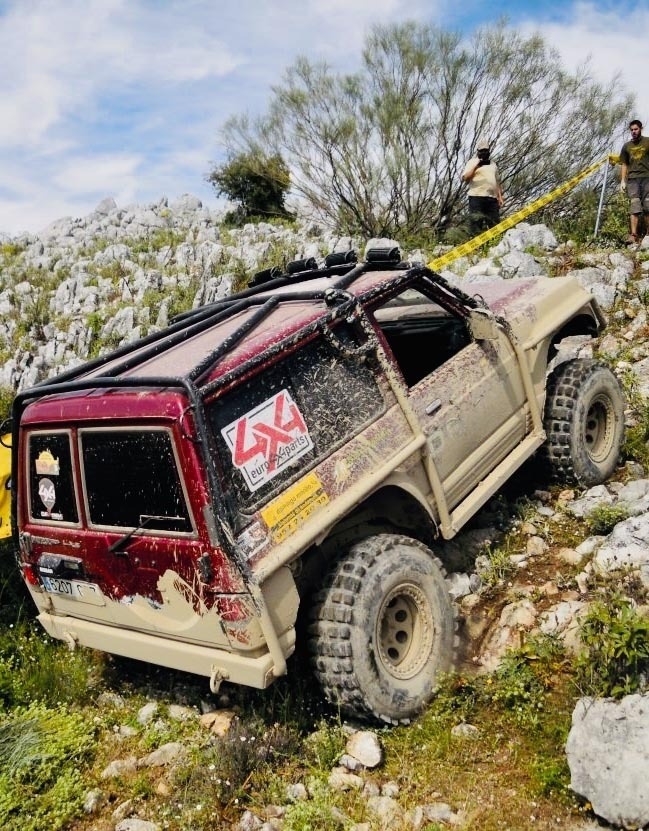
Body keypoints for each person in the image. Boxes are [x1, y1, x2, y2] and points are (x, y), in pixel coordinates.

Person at [462, 139, 504, 237]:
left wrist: (500, 197)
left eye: (486, 150)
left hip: (492, 198)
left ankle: (495, 244)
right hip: (477, 197)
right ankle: (475, 247)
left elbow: (497, 181)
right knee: (476, 223)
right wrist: (477, 166)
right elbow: (465, 178)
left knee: (494, 223)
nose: (484, 153)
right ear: (478, 152)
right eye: (482, 151)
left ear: (489, 151)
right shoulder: (472, 162)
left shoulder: (493, 164)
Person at [619, 119, 649, 245]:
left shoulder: (647, 142)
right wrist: (622, 181)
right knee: (634, 207)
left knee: (648, 206)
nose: (634, 132)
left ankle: (648, 234)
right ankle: (633, 235)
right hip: (632, 180)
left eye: (636, 129)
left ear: (640, 129)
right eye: (631, 130)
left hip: (647, 177)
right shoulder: (626, 146)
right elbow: (624, 164)